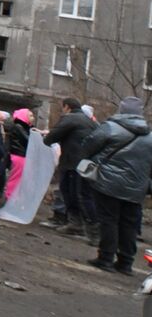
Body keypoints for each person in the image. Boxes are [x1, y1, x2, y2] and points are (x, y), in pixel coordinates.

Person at [80, 97, 152, 274]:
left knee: (109, 220)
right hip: (136, 188)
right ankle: (126, 263)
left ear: (121, 110)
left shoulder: (110, 128)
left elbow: (87, 147)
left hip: (108, 183)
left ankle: (105, 259)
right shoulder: (150, 136)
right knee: (129, 225)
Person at [42, 97, 98, 237]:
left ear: (67, 107)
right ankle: (86, 227)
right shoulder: (89, 121)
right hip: (87, 164)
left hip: (71, 162)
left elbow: (52, 137)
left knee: (69, 192)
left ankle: (78, 225)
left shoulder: (70, 118)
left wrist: (47, 140)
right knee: (82, 195)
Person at [4, 108, 32, 199]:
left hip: (20, 154)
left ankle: (12, 197)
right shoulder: (19, 127)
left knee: (18, 177)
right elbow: (27, 140)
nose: (33, 118)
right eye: (30, 115)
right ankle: (10, 197)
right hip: (19, 155)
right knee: (16, 177)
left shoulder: (23, 127)